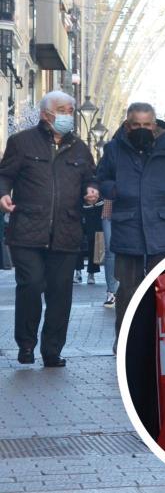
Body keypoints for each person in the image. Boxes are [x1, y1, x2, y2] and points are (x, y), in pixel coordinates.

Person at [0, 90, 100, 367]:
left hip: (66, 232)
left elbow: (92, 178)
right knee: (31, 284)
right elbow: (4, 174)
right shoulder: (21, 142)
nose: (68, 114)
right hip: (28, 229)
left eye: (70, 110)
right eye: (62, 109)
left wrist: (92, 190)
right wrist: (3, 194)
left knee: (60, 293)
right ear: (46, 114)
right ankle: (26, 344)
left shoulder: (80, 148)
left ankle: (52, 350)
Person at [97, 103, 165, 354]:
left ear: (154, 124)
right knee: (127, 290)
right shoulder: (114, 148)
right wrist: (113, 190)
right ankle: (125, 340)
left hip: (161, 226)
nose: (142, 129)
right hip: (128, 227)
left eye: (147, 124)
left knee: (164, 287)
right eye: (136, 124)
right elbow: (101, 177)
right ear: (128, 125)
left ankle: (164, 343)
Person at [101, 199, 119, 308]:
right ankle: (112, 292)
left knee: (134, 250)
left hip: (131, 207)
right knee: (110, 249)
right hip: (109, 207)